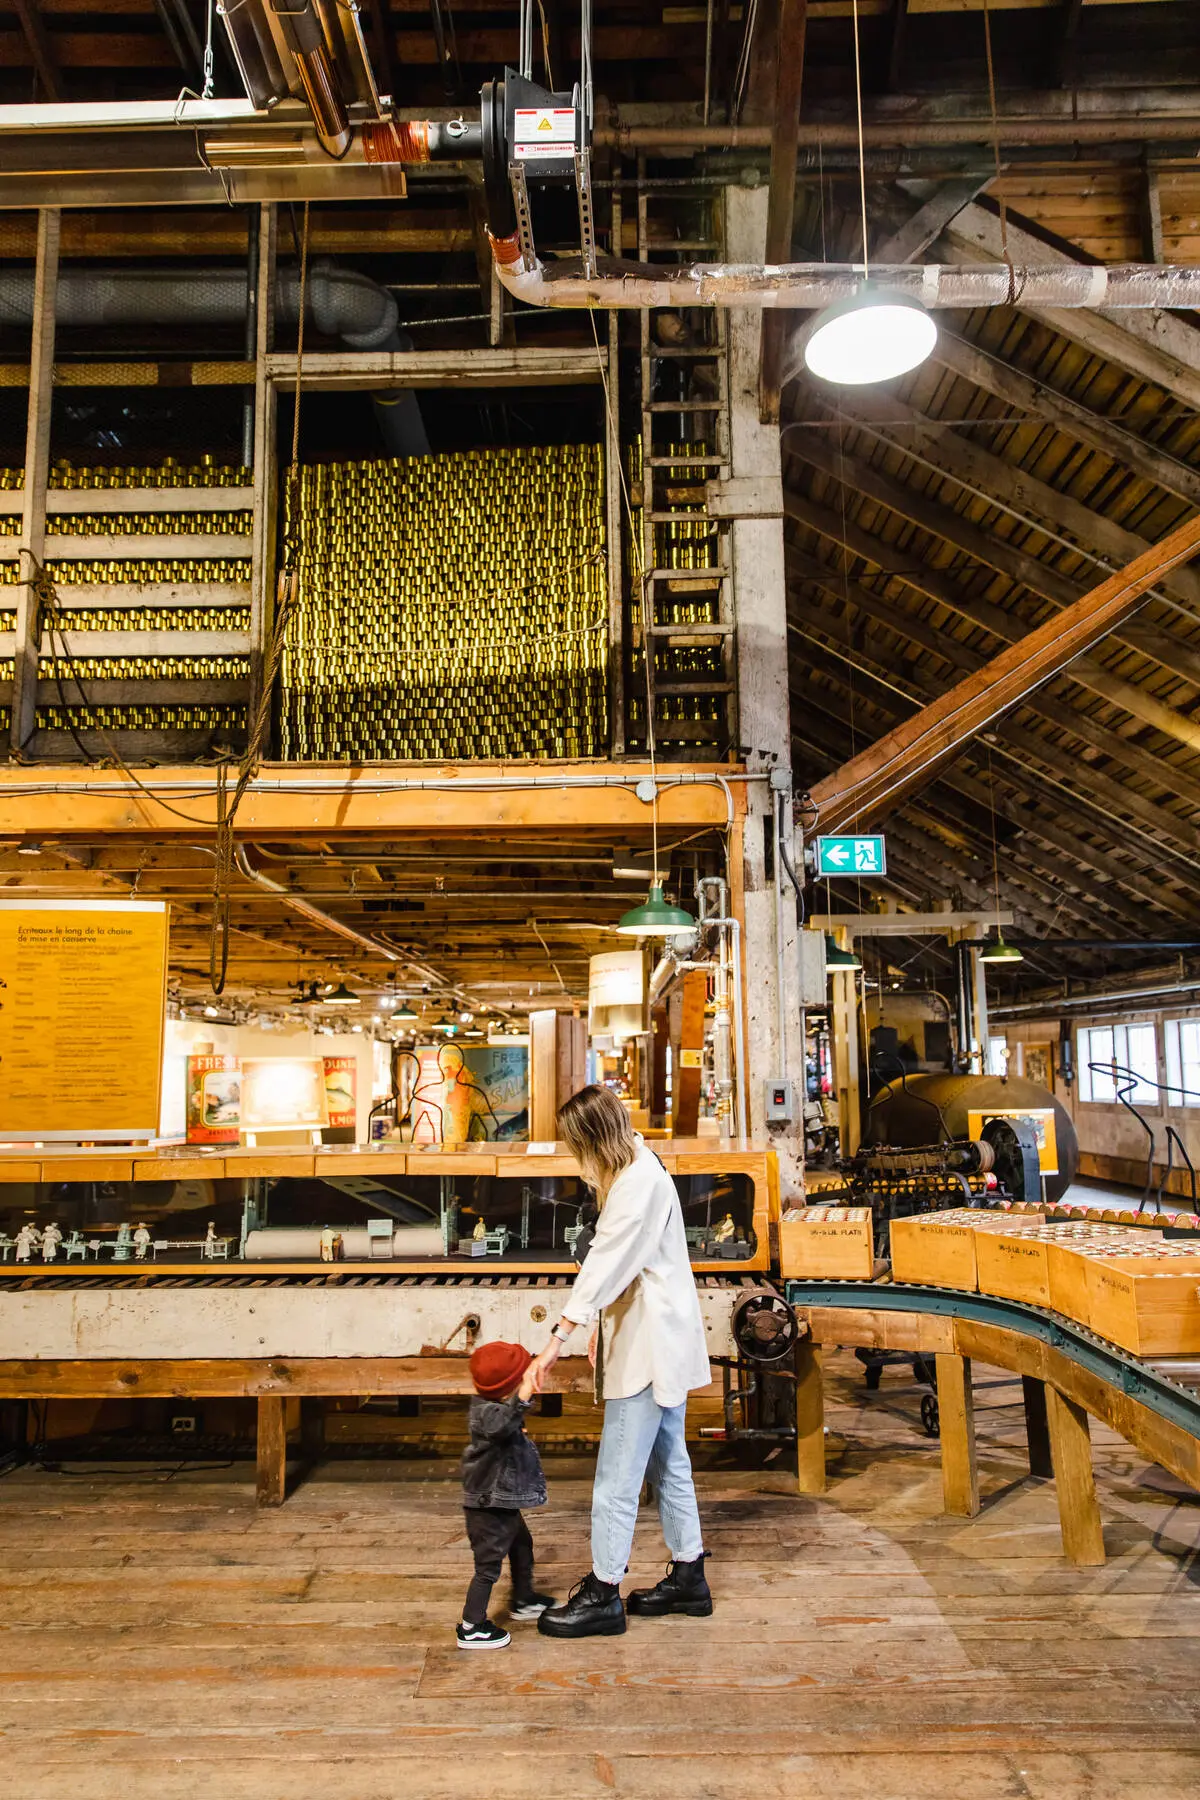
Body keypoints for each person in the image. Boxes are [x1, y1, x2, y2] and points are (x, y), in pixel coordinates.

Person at [528, 1085, 713, 1639]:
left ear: (592, 1141)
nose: (576, 1159)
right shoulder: (638, 1162)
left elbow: (604, 1265)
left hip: (649, 1348)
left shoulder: (635, 1185)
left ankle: (603, 1592)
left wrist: (557, 1338)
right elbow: (627, 1266)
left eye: (576, 1147)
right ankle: (689, 1576)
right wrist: (600, 1328)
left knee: (617, 1476)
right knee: (668, 1461)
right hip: (655, 1336)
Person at [457, 1339, 555, 1650]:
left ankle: (523, 1599)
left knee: (522, 1544)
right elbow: (503, 1423)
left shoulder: (496, 1407)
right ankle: (471, 1626)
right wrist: (524, 1394)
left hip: (501, 1500)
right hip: (488, 1506)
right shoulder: (487, 1414)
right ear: (508, 1386)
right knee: (487, 1567)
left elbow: (510, 1416)